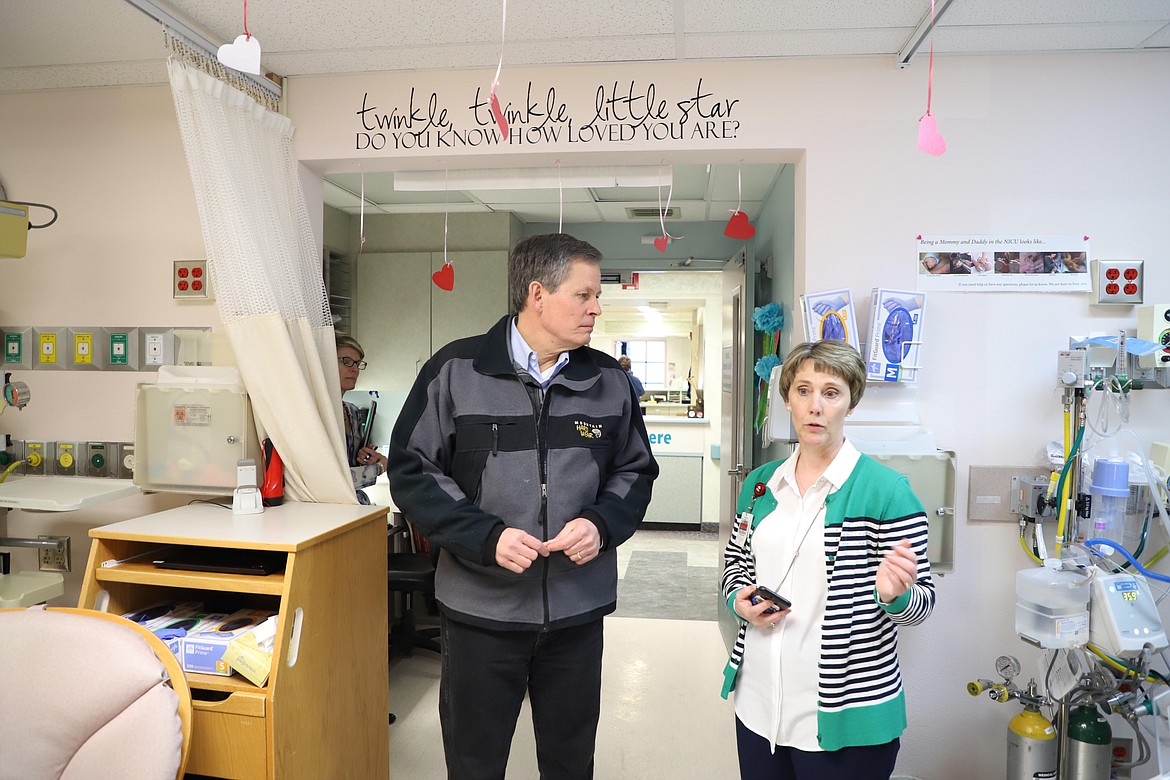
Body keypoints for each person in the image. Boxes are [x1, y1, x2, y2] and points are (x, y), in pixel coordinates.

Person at [388, 232, 659, 780]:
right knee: (474, 761)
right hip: (480, 614)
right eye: (583, 295)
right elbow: (412, 470)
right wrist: (485, 537)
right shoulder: (456, 371)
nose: (596, 307)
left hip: (577, 614)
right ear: (538, 294)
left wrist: (600, 525)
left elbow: (635, 470)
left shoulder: (608, 380)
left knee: (569, 761)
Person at [719, 339, 935, 780]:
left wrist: (894, 596)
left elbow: (923, 603)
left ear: (850, 402)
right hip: (759, 708)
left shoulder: (886, 491)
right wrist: (739, 598)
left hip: (846, 718)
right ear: (788, 399)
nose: (814, 406)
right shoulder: (761, 485)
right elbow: (735, 560)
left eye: (831, 392)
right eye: (803, 390)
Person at [337, 333, 387, 505]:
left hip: (357, 507)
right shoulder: (317, 415)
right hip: (331, 511)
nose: (355, 369)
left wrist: (368, 459)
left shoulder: (351, 411)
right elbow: (334, 483)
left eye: (357, 363)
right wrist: (379, 468)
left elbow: (354, 468)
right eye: (346, 361)